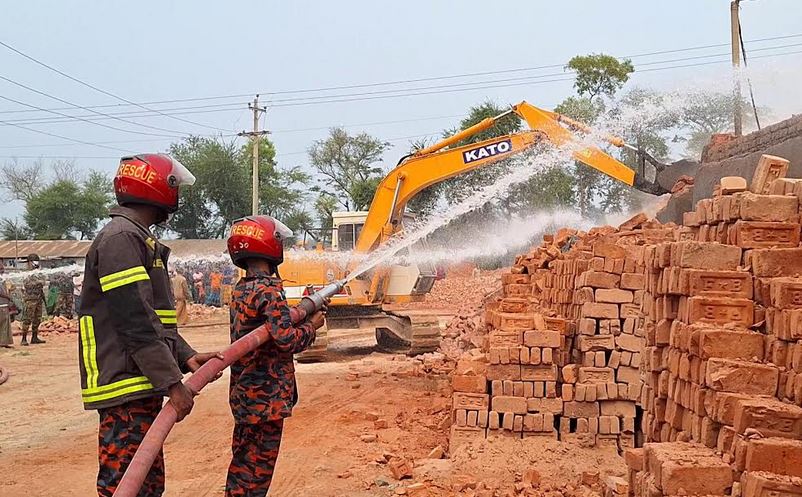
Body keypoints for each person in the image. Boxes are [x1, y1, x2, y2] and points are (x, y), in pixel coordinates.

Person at [78, 154, 222, 497]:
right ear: (158, 188)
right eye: (175, 187)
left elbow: (153, 318)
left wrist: (185, 355)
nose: (177, 197)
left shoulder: (135, 238)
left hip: (138, 381)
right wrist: (174, 384)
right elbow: (136, 322)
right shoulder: (121, 239)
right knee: (127, 485)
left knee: (147, 484)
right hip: (124, 384)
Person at [224, 215, 326, 497]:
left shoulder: (242, 288)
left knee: (243, 464)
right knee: (257, 471)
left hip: (246, 395)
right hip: (265, 399)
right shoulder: (268, 290)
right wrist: (311, 326)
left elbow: (270, 328)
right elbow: (287, 341)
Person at [20, 254, 46, 346]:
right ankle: (23, 339)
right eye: (34, 261)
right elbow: (27, 284)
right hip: (30, 299)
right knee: (27, 319)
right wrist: (38, 282)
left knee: (37, 319)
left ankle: (34, 337)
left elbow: (43, 282)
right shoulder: (26, 273)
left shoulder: (38, 272)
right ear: (29, 262)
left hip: (38, 298)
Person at [0, 277, 16, 348]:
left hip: (4, 305)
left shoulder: (3, 280)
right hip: (1, 305)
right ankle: (3, 343)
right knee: (3, 323)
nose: (3, 271)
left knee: (5, 324)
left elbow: (12, 287)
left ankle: (3, 343)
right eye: (1, 269)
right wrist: (8, 297)